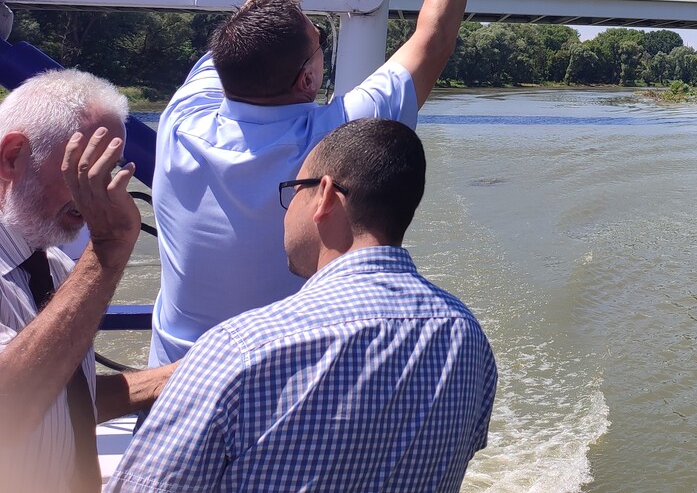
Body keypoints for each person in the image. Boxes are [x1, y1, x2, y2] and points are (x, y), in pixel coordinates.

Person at [148, 0, 469, 365]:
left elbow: (253, 16)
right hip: (274, 390)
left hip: (169, 384)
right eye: (319, 37)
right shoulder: (333, 143)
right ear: (306, 79)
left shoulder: (182, 118)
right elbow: (435, 38)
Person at [109, 118, 497, 492]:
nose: (287, 208)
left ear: (325, 196)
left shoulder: (241, 350)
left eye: (294, 189)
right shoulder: (468, 338)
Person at [0, 70, 174, 493]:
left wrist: (191, 372)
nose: (103, 188)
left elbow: (66, 395)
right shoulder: (83, 264)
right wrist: (108, 252)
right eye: (85, 168)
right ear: (12, 155)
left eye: (110, 170)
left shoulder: (52, 264)